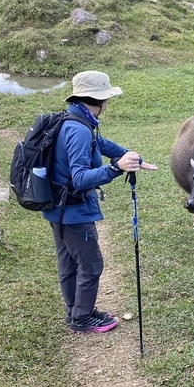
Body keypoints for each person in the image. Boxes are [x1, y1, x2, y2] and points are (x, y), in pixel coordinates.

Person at [43, 70, 158, 334]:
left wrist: (131, 157)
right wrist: (116, 168)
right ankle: (82, 317)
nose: (107, 104)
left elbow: (101, 143)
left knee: (68, 262)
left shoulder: (75, 119)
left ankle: (75, 310)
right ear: (98, 100)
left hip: (57, 209)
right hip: (73, 212)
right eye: (106, 99)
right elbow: (81, 177)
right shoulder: (79, 130)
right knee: (91, 264)